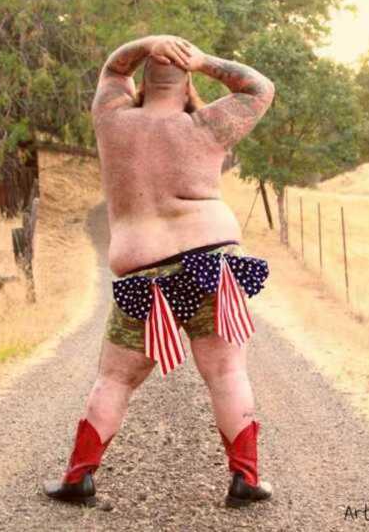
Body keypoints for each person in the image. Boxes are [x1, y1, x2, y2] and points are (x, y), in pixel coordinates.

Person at [42, 35, 275, 508]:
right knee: (227, 373)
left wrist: (145, 44)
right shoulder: (209, 125)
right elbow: (258, 88)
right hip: (214, 265)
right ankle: (245, 480)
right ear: (188, 81)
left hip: (144, 276)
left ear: (142, 82)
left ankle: (79, 478)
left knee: (114, 380)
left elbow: (112, 70)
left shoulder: (112, 121)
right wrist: (206, 61)